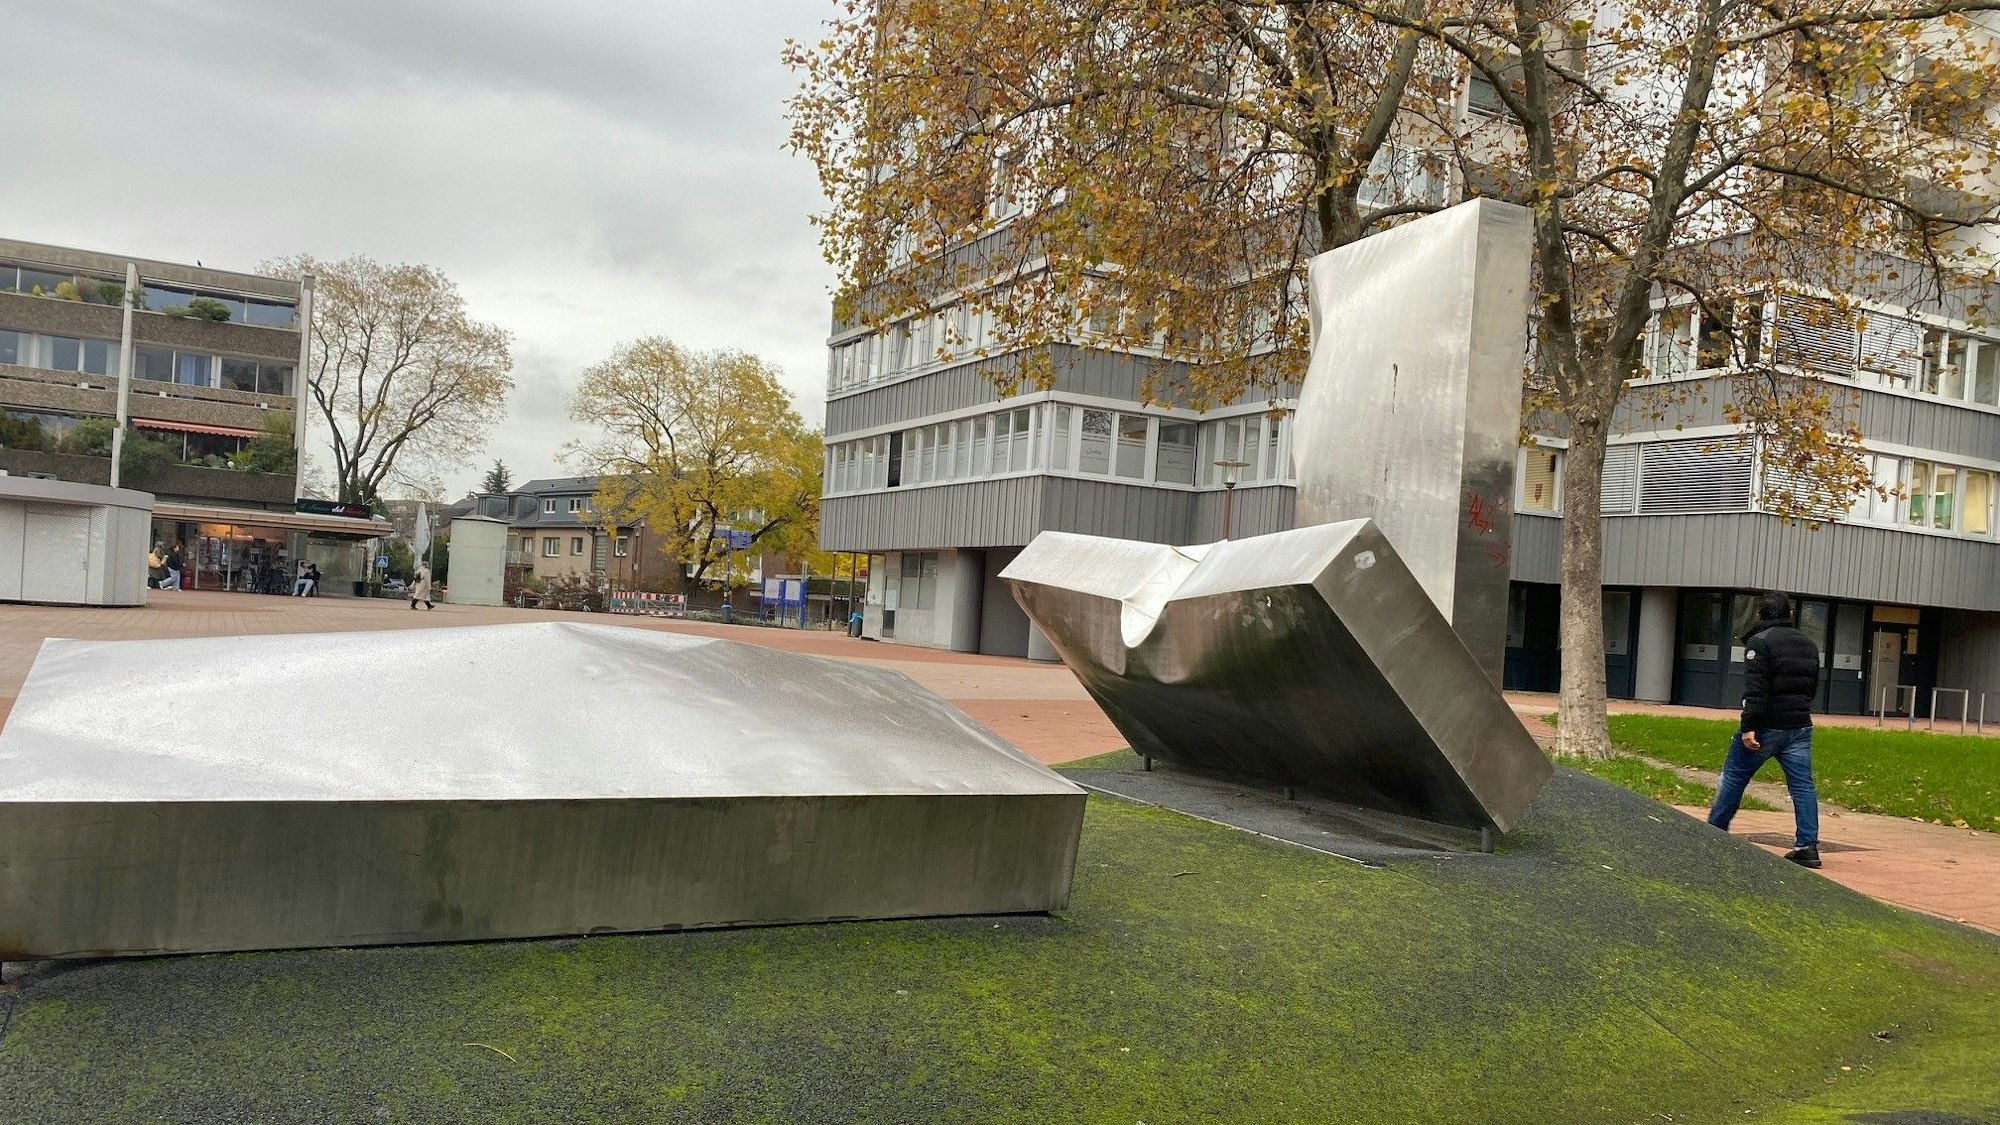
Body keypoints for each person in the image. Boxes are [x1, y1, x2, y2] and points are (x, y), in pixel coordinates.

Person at [1708, 591, 1823, 868]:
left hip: (1766, 726)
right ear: (1789, 614)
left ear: (1760, 614)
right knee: (1803, 786)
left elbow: (1756, 691)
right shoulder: (1809, 644)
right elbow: (1812, 686)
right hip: (1799, 725)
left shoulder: (1760, 643)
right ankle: (1807, 846)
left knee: (1734, 776)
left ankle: (1714, 832)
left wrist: (1749, 727)